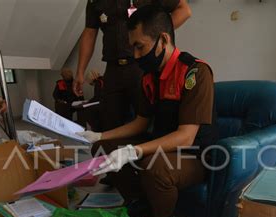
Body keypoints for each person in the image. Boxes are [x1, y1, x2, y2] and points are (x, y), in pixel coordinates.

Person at [77, 5, 217, 217]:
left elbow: (186, 136)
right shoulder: (149, 77)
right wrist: (100, 136)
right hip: (161, 145)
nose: (135, 55)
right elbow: (140, 123)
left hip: (194, 155)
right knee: (102, 148)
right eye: (132, 47)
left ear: (163, 40)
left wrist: (134, 151)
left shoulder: (195, 72)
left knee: (155, 167)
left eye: (140, 47)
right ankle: (139, 202)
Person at [73, 0, 191, 132]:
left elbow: (184, 10)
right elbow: (89, 32)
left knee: (147, 125)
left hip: (141, 66)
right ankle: (110, 152)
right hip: (113, 69)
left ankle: (144, 151)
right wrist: (80, 72)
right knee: (108, 125)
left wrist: (153, 35)